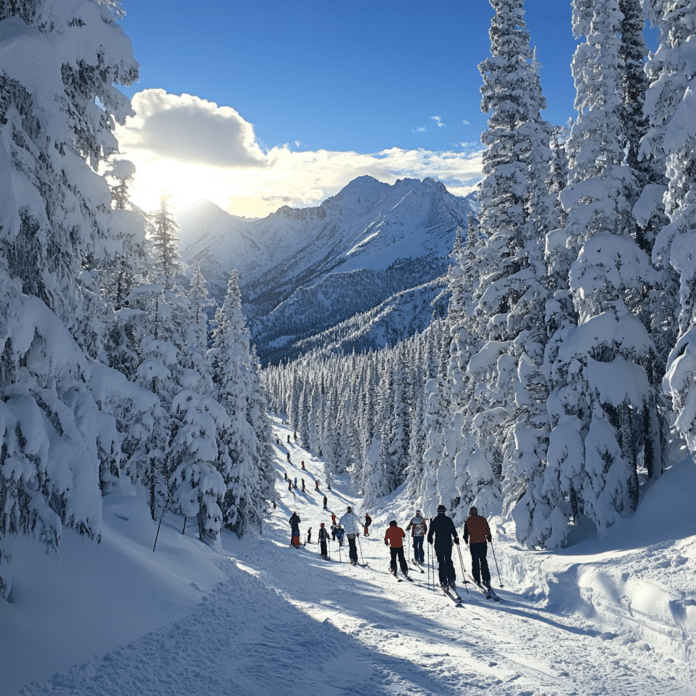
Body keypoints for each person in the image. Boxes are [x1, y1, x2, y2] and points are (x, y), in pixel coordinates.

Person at [427, 504, 459, 590]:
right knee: (448, 560)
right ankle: (451, 579)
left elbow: (430, 532)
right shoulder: (448, 520)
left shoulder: (434, 520)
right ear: (444, 511)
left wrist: (429, 539)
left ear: (437, 511)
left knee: (441, 562)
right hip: (448, 543)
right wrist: (456, 538)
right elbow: (453, 530)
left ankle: (443, 581)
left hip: (439, 543)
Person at [464, 507, 492, 587]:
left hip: (474, 543)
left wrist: (465, 539)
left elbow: (466, 533)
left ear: (470, 513)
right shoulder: (482, 519)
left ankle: (477, 579)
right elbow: (487, 529)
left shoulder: (468, 520)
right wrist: (489, 537)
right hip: (483, 543)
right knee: (483, 560)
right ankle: (486, 579)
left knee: (475, 561)